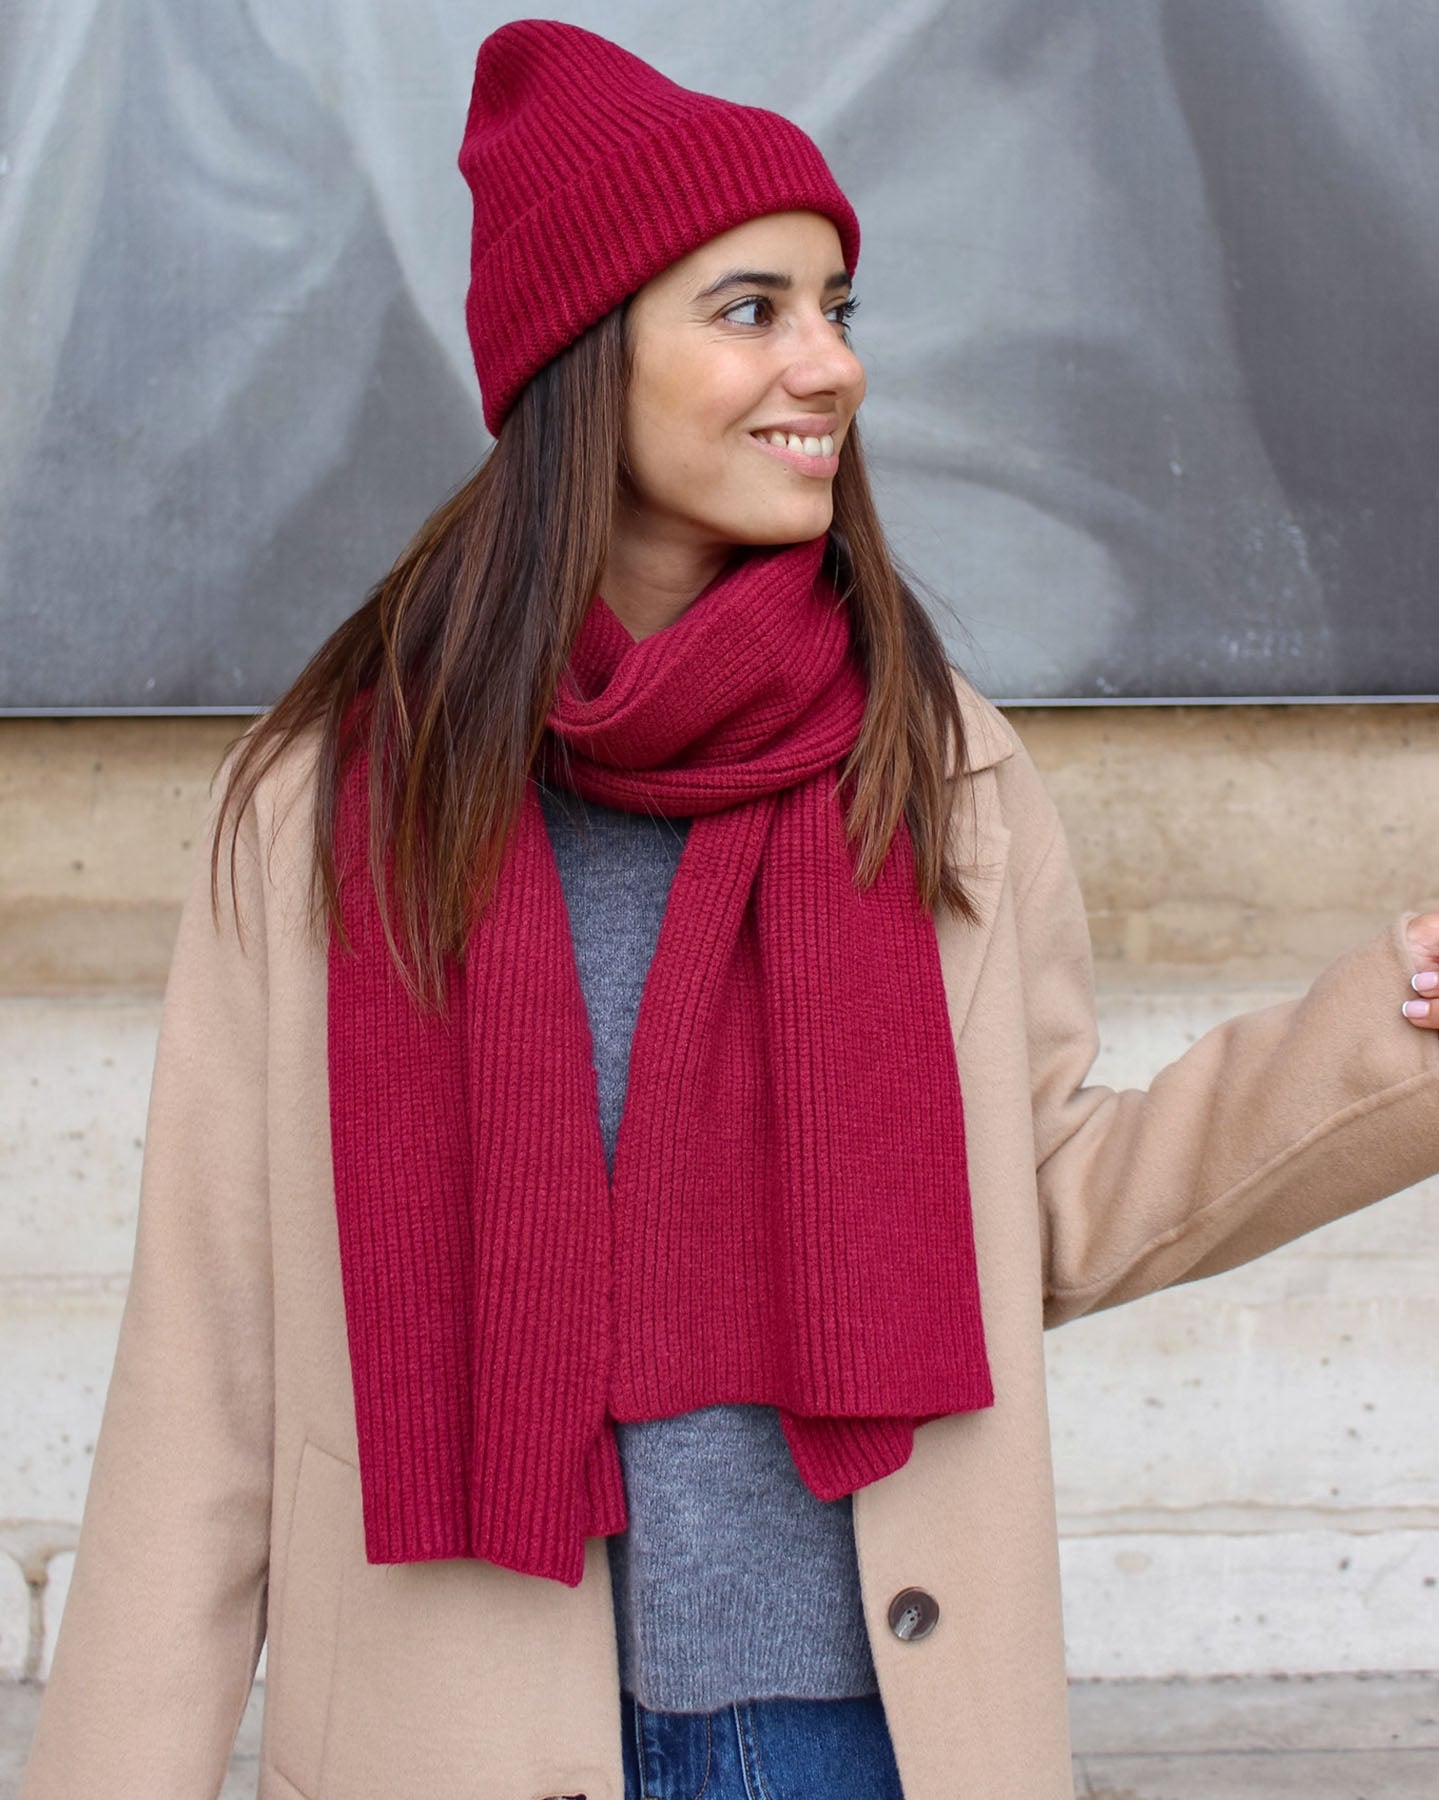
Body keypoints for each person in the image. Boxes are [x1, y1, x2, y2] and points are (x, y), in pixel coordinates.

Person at [19, 19, 1439, 1800]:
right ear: (580, 360)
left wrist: (1390, 1023)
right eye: (754, 309)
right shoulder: (332, 809)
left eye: (841, 308)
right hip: (455, 1741)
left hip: (861, 1733)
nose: (829, 366)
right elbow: (205, 1389)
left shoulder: (936, 766)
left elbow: (1043, 1204)